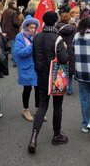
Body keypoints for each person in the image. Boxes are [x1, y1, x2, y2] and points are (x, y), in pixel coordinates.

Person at [28, 11, 69, 154]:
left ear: (44, 22)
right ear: (55, 22)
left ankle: (33, 137)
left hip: (41, 75)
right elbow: (63, 59)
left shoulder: (36, 37)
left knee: (42, 106)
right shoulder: (58, 39)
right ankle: (56, 135)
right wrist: (65, 48)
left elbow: (34, 56)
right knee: (57, 106)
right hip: (56, 76)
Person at [15, 15, 40, 122]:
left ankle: (39, 110)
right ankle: (25, 110)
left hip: (37, 67)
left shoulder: (37, 36)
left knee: (38, 88)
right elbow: (20, 52)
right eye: (31, 27)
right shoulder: (20, 37)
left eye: (34, 27)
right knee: (27, 89)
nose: (33, 30)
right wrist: (32, 44)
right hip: (26, 67)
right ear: (26, 27)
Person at [73, 17, 90, 133]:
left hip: (81, 73)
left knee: (84, 99)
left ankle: (85, 123)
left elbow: (73, 51)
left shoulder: (76, 36)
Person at [56, 13, 76, 95]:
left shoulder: (57, 28)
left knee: (61, 68)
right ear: (68, 19)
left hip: (61, 48)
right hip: (70, 49)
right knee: (70, 71)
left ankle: (61, 87)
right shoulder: (73, 28)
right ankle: (70, 89)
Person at [1, 0, 21, 66]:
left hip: (5, 30)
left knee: (4, 46)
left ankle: (3, 59)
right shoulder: (14, 12)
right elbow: (15, 22)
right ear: (12, 4)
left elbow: (2, 20)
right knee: (13, 47)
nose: (16, 5)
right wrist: (20, 23)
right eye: (15, 3)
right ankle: (15, 61)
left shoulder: (5, 11)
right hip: (12, 31)